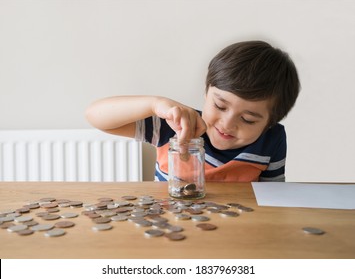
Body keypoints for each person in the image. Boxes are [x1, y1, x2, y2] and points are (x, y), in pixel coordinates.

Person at [86, 40, 300, 182]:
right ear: (207, 92)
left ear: (270, 122)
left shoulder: (273, 139)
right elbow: (96, 116)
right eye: (220, 106)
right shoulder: (174, 124)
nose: (227, 123)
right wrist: (155, 104)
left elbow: (273, 197)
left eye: (247, 119)